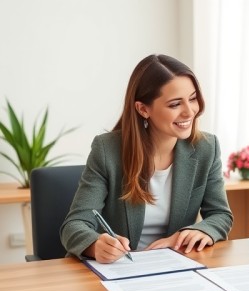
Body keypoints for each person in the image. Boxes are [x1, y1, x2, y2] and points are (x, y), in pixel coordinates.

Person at [61, 54, 233, 263]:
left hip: (173, 266)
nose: (190, 112)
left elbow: (220, 215)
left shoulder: (206, 147)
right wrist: (95, 245)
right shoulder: (107, 150)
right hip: (119, 269)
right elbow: (74, 225)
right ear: (143, 109)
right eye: (175, 104)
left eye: (193, 98)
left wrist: (190, 234)